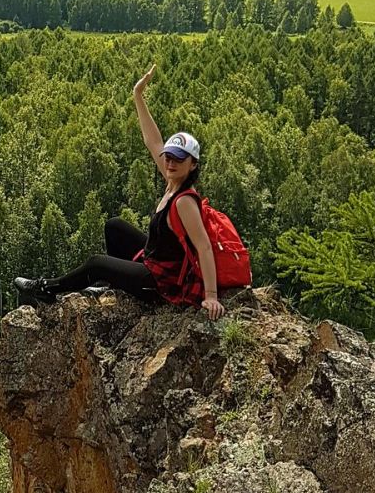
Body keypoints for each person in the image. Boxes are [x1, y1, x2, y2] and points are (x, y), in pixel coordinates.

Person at [13, 64, 228, 321]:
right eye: (169, 157)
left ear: (193, 164)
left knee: (97, 263)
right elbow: (153, 141)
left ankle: (46, 288)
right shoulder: (173, 180)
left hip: (159, 285)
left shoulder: (184, 201)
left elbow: (204, 246)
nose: (171, 163)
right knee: (114, 226)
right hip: (153, 263)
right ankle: (115, 283)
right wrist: (138, 96)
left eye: (179, 159)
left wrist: (211, 296)